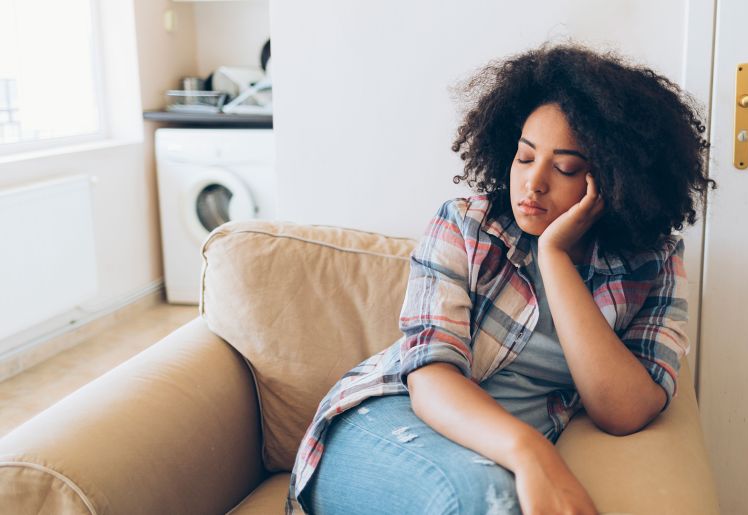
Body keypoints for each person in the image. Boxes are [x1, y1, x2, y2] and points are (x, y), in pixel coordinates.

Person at [285, 42, 716, 515]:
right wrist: (532, 454)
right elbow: (430, 375)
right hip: (392, 420)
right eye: (525, 157)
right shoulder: (467, 225)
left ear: (612, 182)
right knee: (488, 502)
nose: (533, 184)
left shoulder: (652, 262)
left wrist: (552, 255)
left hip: (491, 456)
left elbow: (625, 411)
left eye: (566, 168)